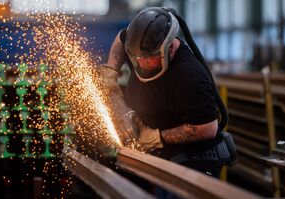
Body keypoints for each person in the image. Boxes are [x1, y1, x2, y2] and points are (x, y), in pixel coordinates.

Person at [100, 7, 235, 182]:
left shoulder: (190, 77)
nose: (142, 63)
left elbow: (208, 128)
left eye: (148, 58)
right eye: (137, 58)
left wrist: (156, 137)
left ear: (168, 48)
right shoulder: (140, 46)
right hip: (154, 158)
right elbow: (121, 38)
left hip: (188, 165)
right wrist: (111, 72)